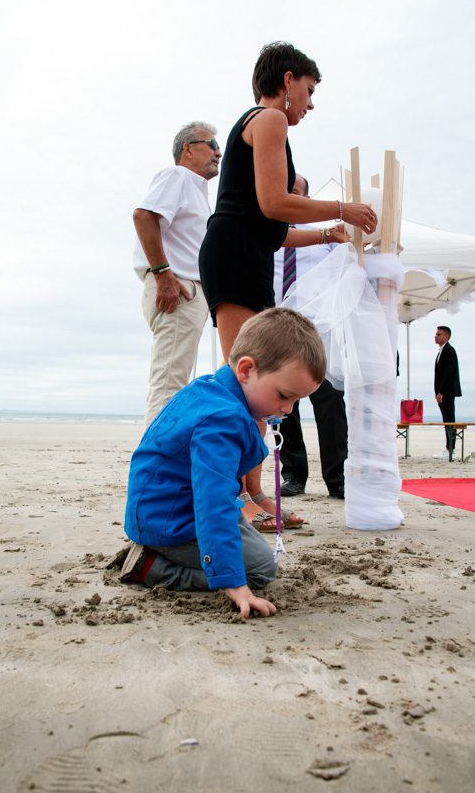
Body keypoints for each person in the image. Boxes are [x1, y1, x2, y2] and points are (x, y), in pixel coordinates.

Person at [198, 41, 377, 529]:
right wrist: (344, 207)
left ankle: (254, 492)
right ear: (287, 80)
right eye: (310, 89)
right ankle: (241, 497)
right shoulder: (270, 118)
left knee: (256, 380)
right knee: (246, 379)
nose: (310, 103)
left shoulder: (266, 126)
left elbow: (272, 229)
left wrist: (325, 232)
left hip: (245, 250)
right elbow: (275, 201)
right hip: (233, 253)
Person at [120, 308, 326, 619]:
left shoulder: (211, 389)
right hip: (170, 521)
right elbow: (211, 501)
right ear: (246, 370)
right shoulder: (222, 420)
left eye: (296, 401)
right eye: (284, 396)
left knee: (249, 546)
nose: (287, 410)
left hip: (163, 508)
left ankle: (167, 555)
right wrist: (233, 581)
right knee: (261, 569)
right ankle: (151, 567)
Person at [133, 121, 222, 426]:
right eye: (211, 144)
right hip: (177, 289)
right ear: (188, 148)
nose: (219, 153)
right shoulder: (178, 176)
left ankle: (162, 467)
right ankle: (155, 472)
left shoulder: (195, 190)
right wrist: (163, 274)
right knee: (168, 389)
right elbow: (144, 215)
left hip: (187, 290)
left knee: (175, 385)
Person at [273, 173, 347, 499]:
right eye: (286, 190)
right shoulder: (266, 234)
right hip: (276, 324)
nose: (292, 195)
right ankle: (293, 475)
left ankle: (338, 477)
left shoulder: (327, 235)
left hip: (318, 328)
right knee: (282, 403)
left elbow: (347, 271)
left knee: (328, 399)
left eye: (298, 192)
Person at [433, 325, 462, 459]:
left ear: (446, 336)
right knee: (446, 420)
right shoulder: (441, 351)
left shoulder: (449, 351)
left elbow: (448, 373)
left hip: (447, 392)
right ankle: (448, 448)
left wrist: (441, 392)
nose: (435, 336)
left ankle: (451, 449)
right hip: (442, 392)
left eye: (438, 334)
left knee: (450, 420)